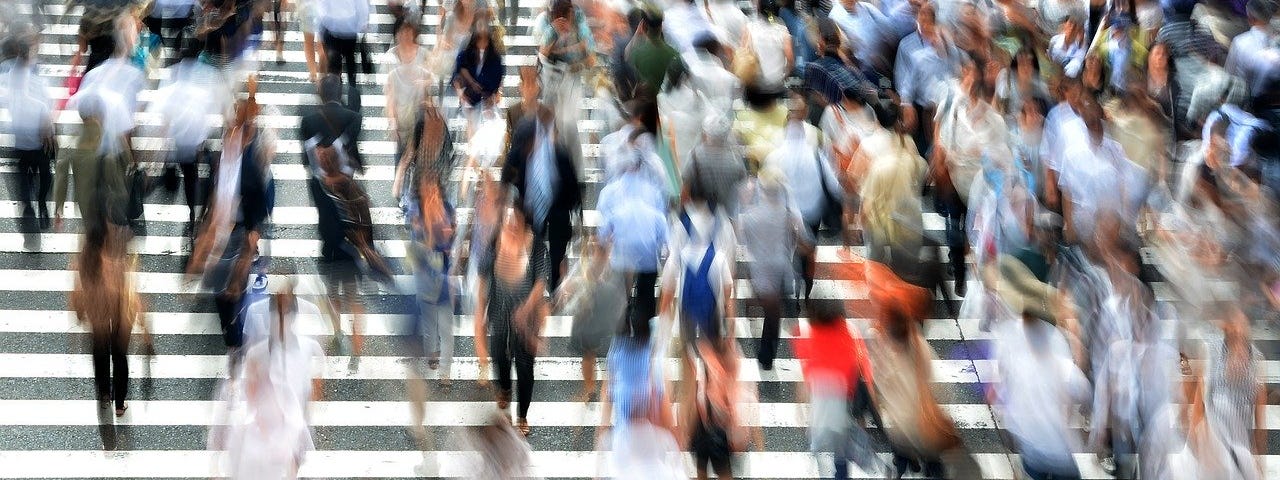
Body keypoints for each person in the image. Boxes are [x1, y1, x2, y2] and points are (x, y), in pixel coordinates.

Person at [475, 204, 549, 437]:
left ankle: (523, 415)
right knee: (499, 353)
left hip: (526, 319)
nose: (511, 226)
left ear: (525, 223)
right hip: (499, 310)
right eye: (508, 222)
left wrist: (526, 309)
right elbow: (483, 272)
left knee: (525, 367)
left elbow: (541, 280)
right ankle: (505, 387)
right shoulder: (497, 239)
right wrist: (481, 306)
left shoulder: (536, 245)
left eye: (515, 222)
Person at [501, 101, 583, 293]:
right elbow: (507, 175)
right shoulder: (522, 146)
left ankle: (553, 285)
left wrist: (577, 212)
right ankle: (529, 286)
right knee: (530, 249)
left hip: (558, 210)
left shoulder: (559, 152)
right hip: (528, 208)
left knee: (556, 252)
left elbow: (572, 185)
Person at [792, 302, 879, 479]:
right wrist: (871, 398)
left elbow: (805, 376)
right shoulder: (849, 333)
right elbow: (864, 369)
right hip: (845, 404)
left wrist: (800, 409)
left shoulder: (809, 336)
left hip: (821, 408)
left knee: (822, 450)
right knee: (842, 451)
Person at [736, 168, 808, 370]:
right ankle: (766, 355)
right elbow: (800, 236)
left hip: (760, 268)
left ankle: (765, 354)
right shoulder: (787, 214)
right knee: (773, 315)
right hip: (781, 266)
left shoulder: (750, 216)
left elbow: (743, 241)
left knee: (770, 311)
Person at [69, 234, 142, 418]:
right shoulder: (115, 253)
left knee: (100, 350)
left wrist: (79, 309)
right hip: (119, 309)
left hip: (97, 308)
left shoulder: (87, 256)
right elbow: (129, 286)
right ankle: (119, 403)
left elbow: (78, 287)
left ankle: (104, 394)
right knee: (119, 355)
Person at [3, 27, 55, 229]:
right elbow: (40, 103)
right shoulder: (31, 78)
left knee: (24, 175)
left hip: (21, 137)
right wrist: (47, 121)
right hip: (38, 138)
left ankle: (28, 205)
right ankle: (40, 202)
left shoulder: (11, 71)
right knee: (44, 175)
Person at [383, 20, 430, 164]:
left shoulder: (423, 53)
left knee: (419, 157)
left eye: (408, 32)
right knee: (400, 158)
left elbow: (432, 77)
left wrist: (424, 83)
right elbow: (389, 95)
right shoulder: (390, 58)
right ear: (396, 35)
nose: (405, 36)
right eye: (402, 32)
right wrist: (392, 123)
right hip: (401, 115)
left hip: (419, 113)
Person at [317, 0, 371, 109]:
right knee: (350, 64)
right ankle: (352, 99)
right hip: (349, 29)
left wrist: (322, 26)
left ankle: (336, 96)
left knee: (334, 66)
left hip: (331, 28)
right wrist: (362, 22)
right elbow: (362, 6)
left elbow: (321, 7)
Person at [453, 26, 505, 124]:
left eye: (485, 39)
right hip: (470, 98)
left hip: (488, 99)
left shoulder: (494, 57)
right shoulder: (465, 55)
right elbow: (456, 76)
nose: (483, 43)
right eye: (480, 39)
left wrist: (497, 93)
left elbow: (499, 75)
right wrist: (461, 94)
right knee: (472, 125)